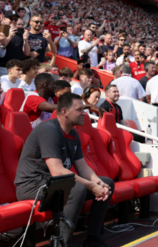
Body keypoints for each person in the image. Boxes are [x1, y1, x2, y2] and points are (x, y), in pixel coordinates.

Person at [15, 93, 114, 247]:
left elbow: (82, 166)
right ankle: (62, 244)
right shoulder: (49, 130)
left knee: (108, 183)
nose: (84, 113)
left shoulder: (73, 132)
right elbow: (58, 171)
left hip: (55, 183)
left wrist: (99, 184)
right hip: (32, 185)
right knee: (78, 189)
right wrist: (91, 186)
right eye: (79, 109)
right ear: (64, 112)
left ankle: (93, 239)